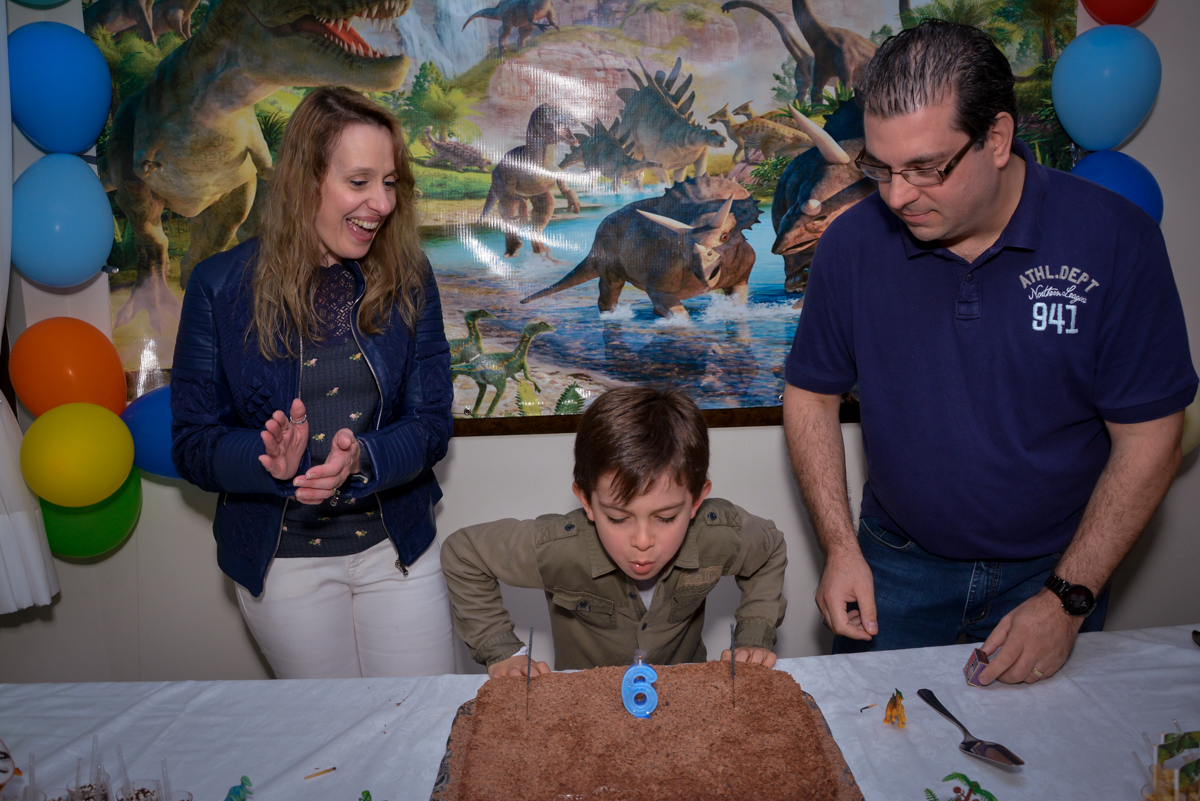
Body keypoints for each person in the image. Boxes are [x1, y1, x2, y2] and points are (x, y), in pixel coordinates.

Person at [783, 21, 1196, 685]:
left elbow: (1151, 439)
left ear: (997, 139)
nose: (895, 195)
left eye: (926, 168)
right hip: (895, 564)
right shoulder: (853, 243)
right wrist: (838, 546)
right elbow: (809, 392)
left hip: (1056, 567)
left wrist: (1066, 600)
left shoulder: (1117, 240)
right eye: (880, 167)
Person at [170, 86, 456, 679]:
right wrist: (263, 459)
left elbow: (431, 426)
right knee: (330, 751)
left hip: (395, 551)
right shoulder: (218, 287)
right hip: (284, 565)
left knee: (422, 730)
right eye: (359, 182)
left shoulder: (409, 276)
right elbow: (193, 443)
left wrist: (363, 460)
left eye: (390, 182)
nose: (381, 203)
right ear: (305, 182)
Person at [440, 386, 787, 676]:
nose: (642, 542)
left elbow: (769, 551)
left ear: (697, 500)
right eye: (618, 518)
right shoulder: (557, 547)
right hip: (584, 708)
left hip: (687, 700)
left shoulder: (720, 534)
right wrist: (502, 651)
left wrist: (755, 634)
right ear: (586, 501)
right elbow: (463, 553)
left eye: (665, 517)